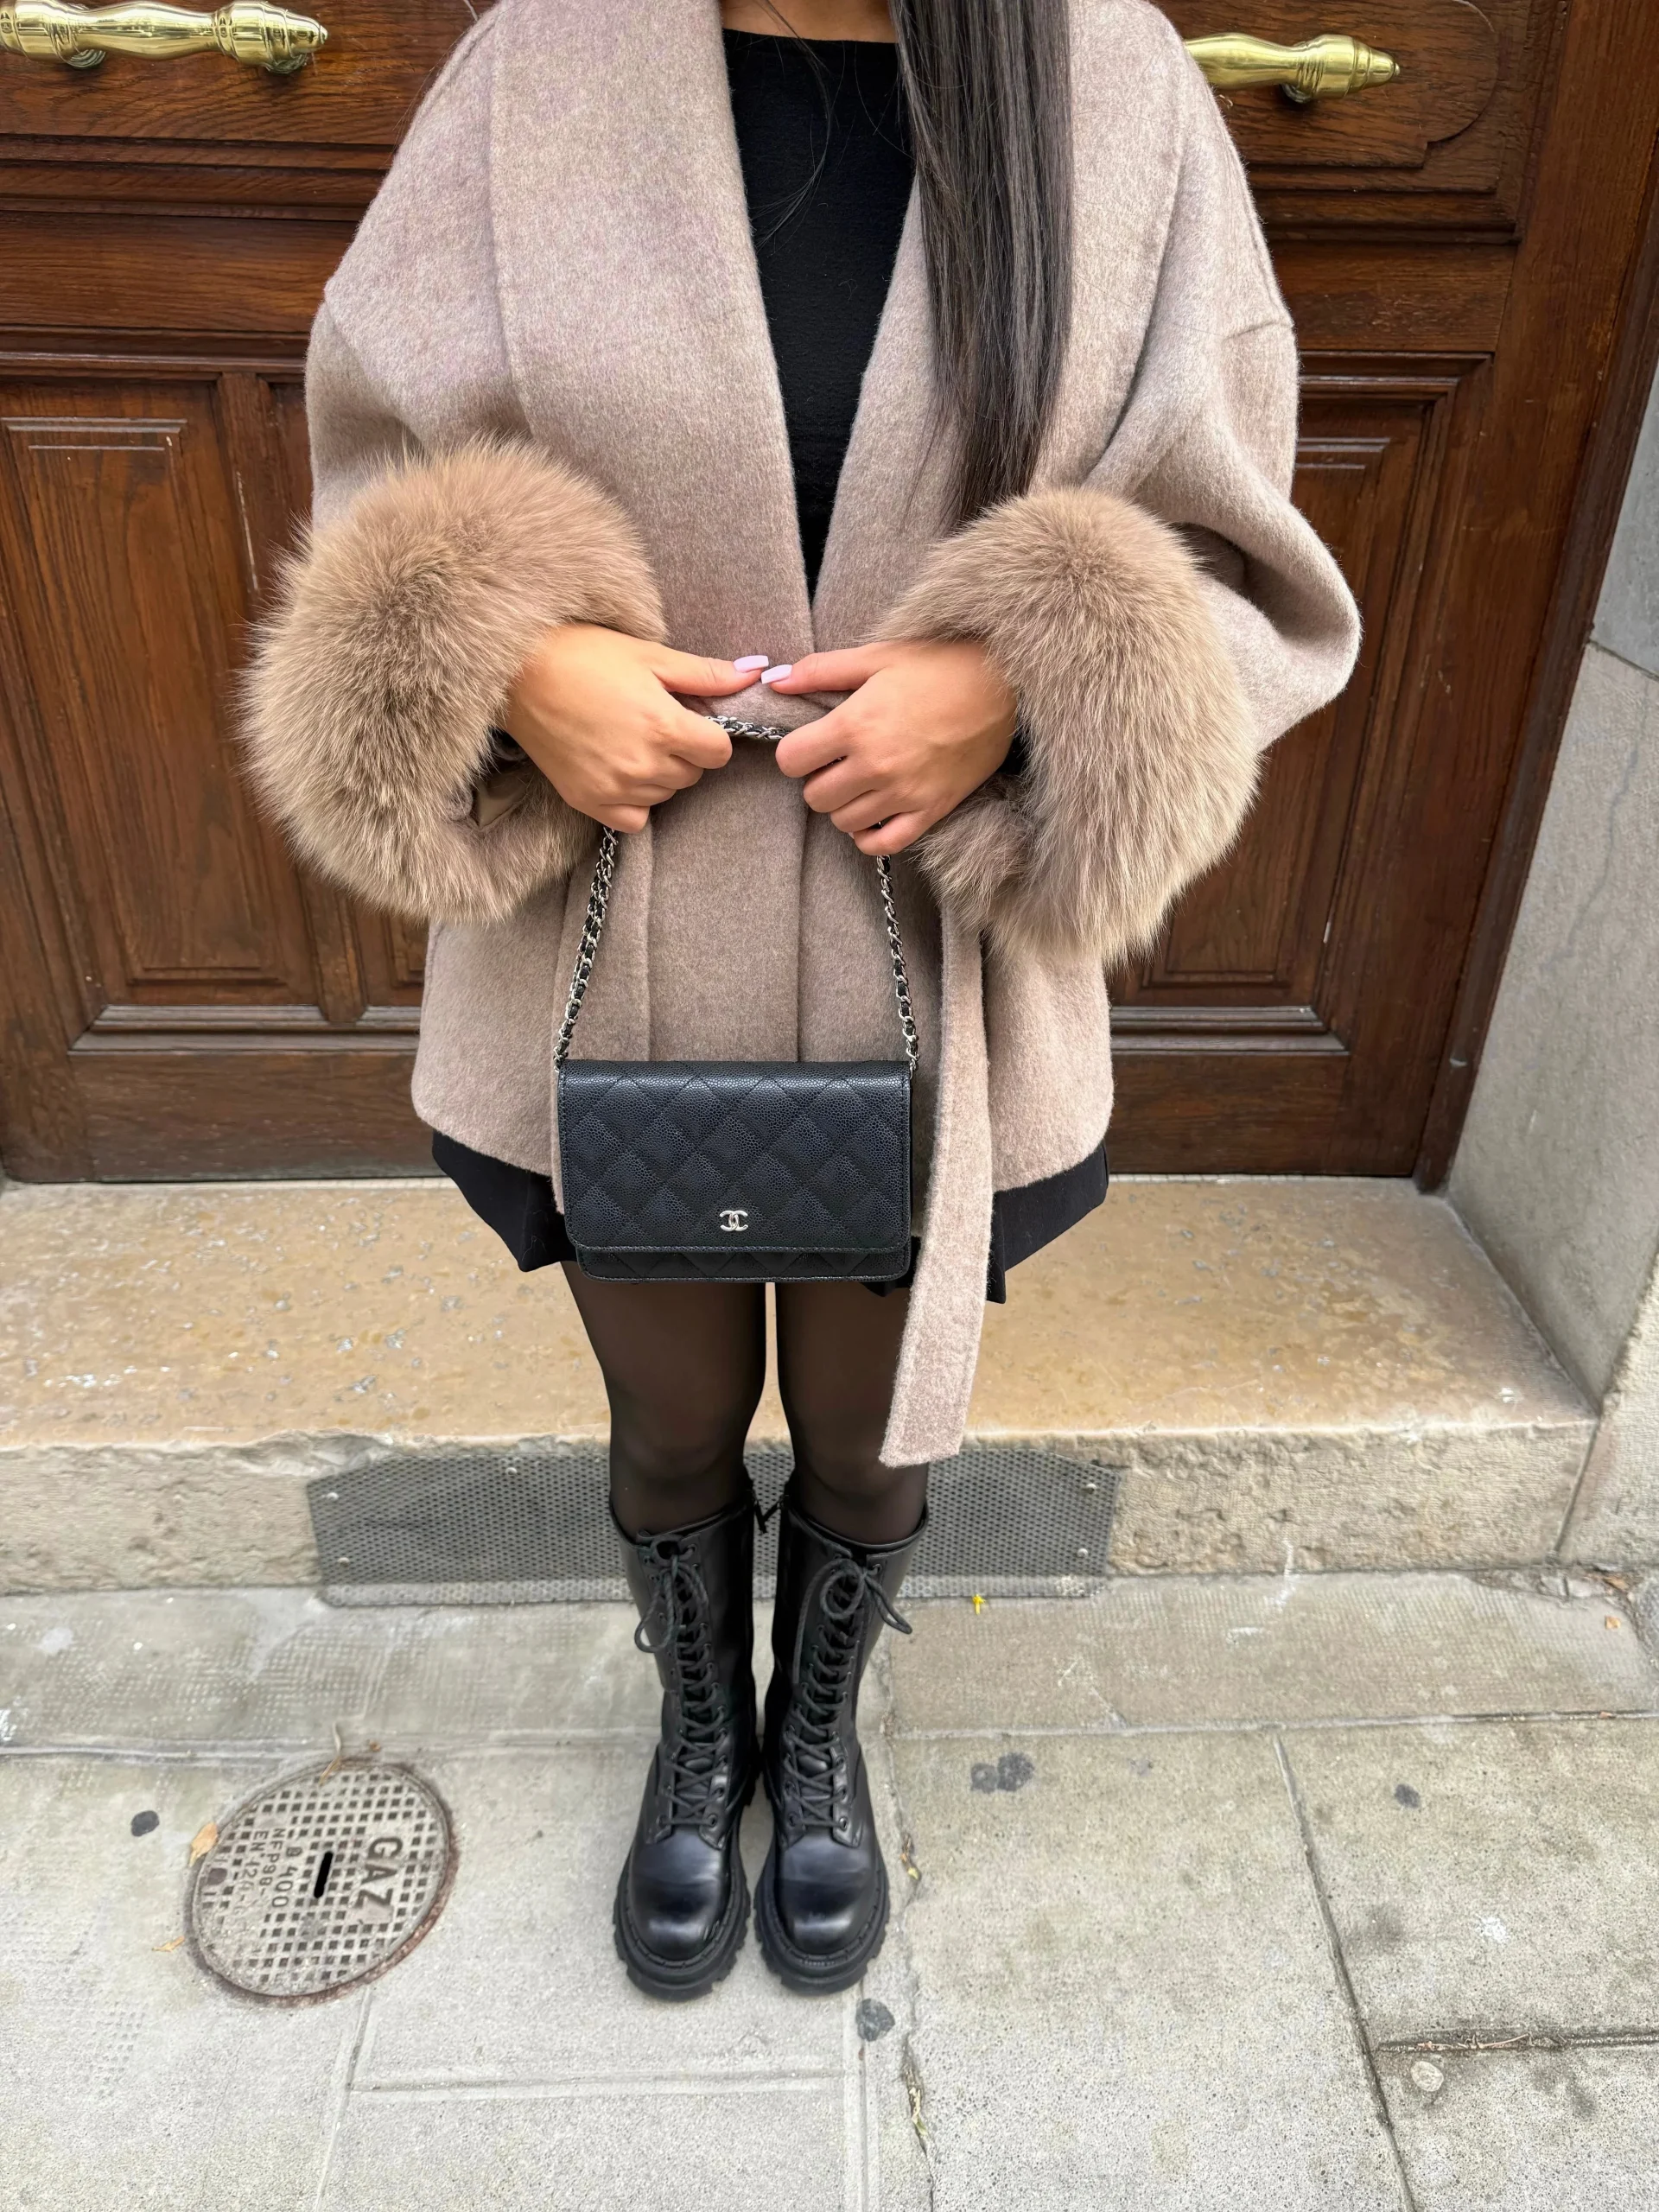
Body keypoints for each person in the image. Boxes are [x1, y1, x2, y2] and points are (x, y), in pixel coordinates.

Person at [245, 0, 1360, 2001]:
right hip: (608, 948)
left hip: (939, 959)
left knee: (866, 1438)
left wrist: (1023, 675)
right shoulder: (540, 64)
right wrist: (511, 656)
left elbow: (1242, 554)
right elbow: (369, 461)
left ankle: (813, 1740)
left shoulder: (1108, 85)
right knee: (670, 1421)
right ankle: (704, 1737)